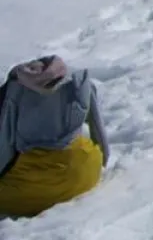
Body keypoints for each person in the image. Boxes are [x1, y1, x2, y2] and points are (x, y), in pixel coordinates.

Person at [0, 55, 109, 218]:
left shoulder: (16, 89)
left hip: (32, 188)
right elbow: (98, 128)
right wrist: (103, 159)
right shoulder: (77, 79)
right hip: (85, 174)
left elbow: (5, 142)